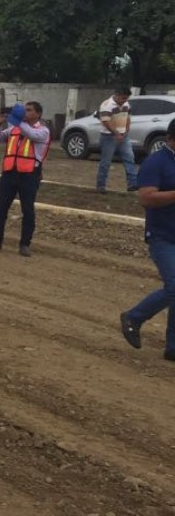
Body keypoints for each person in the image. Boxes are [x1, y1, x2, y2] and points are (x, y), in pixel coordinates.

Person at [120, 119, 175, 362]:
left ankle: (173, 346)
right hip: (162, 236)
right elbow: (147, 197)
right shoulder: (156, 163)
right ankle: (134, 317)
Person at [0, 102, 51, 256]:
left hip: (29, 175)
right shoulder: (14, 129)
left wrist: (17, 120)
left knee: (28, 211)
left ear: (38, 114)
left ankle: (25, 244)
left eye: (29, 110)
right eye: (24, 110)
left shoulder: (43, 131)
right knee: (0, 209)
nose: (25, 113)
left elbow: (31, 135)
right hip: (9, 173)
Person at [97, 87, 139, 194]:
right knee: (106, 162)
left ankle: (132, 184)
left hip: (123, 135)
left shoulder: (126, 104)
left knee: (129, 158)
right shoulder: (107, 105)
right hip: (108, 136)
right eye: (123, 98)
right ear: (117, 94)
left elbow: (127, 117)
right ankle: (101, 186)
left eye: (126, 98)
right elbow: (106, 122)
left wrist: (126, 129)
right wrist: (116, 133)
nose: (124, 100)